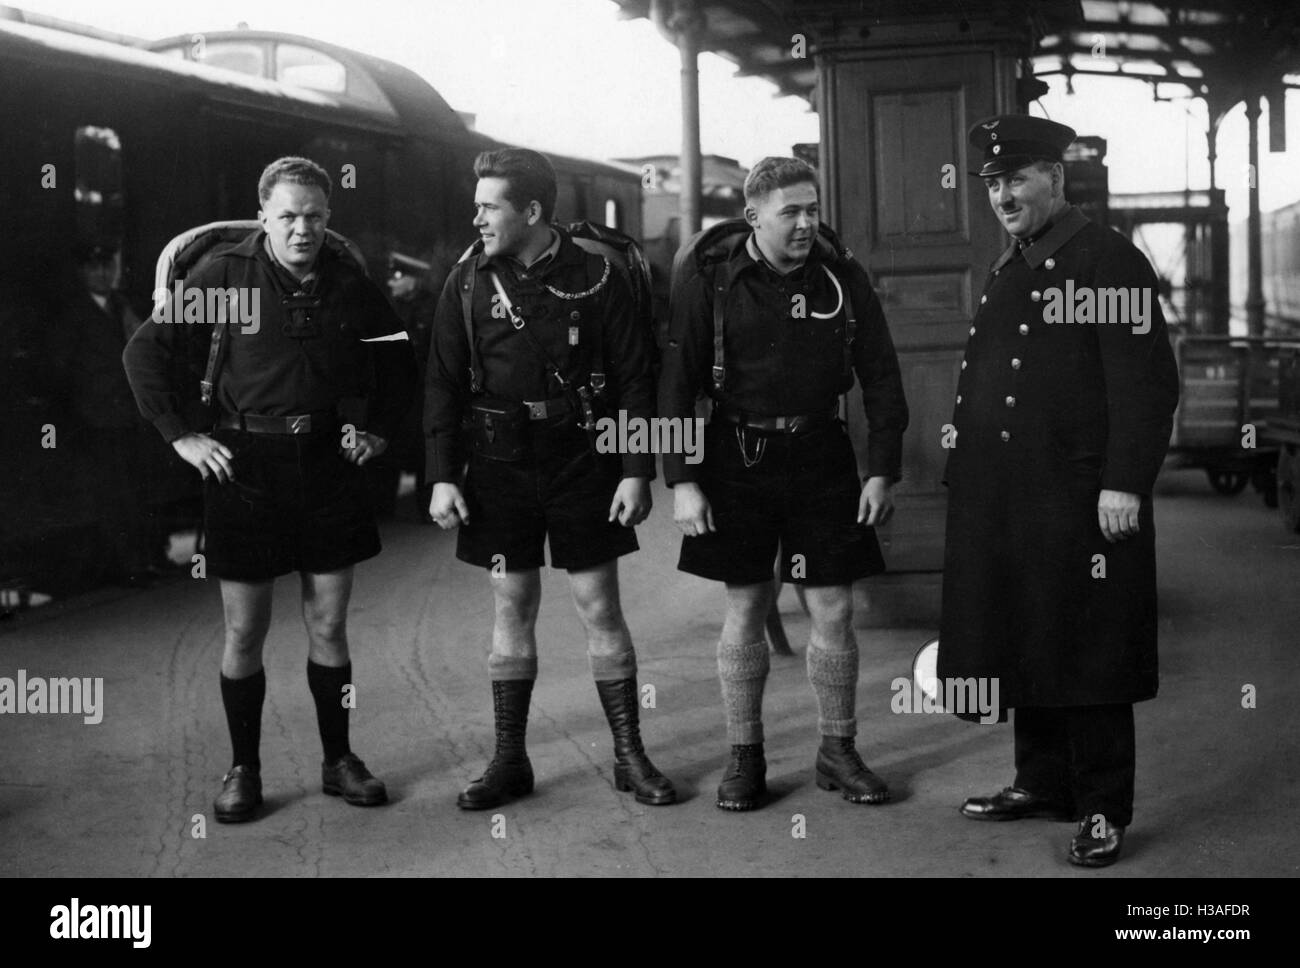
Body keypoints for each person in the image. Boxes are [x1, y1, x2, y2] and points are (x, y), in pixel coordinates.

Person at [123, 156, 417, 823]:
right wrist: (180, 436)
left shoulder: (348, 284)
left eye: (314, 216)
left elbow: (401, 359)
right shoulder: (225, 276)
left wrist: (378, 435)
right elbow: (144, 353)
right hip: (245, 464)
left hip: (326, 462)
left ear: (327, 219)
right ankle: (244, 768)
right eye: (287, 216)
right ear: (264, 215)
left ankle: (339, 759)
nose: (302, 228)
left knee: (329, 624)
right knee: (245, 629)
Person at [939, 116, 1179, 867]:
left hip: (1080, 496)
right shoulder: (1013, 263)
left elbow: (1145, 386)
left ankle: (1103, 807)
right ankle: (1042, 782)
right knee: (1026, 634)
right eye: (993, 183)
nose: (1004, 194)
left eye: (1018, 179)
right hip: (1009, 496)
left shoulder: (1107, 261)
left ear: (1056, 179)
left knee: (1091, 648)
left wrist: (1124, 484)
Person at [424, 148, 676, 809]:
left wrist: (635, 469)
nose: (475, 216)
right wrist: (442, 475)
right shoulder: (468, 282)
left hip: (582, 462)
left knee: (600, 607)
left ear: (531, 211)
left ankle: (628, 756)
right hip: (499, 465)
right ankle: (510, 762)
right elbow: (443, 382)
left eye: (489, 205)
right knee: (512, 608)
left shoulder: (597, 276)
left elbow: (633, 377)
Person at [659, 156, 909, 811]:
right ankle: (746, 758)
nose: (805, 223)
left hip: (821, 454)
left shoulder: (842, 277)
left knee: (833, 610)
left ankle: (838, 750)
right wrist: (681, 481)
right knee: (745, 607)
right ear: (753, 216)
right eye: (790, 212)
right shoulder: (708, 283)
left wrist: (881, 467)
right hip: (733, 457)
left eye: (812, 209)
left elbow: (881, 375)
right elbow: (675, 389)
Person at [48, 242, 158, 586]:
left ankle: (147, 557)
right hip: (97, 417)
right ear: (82, 272)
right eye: (94, 268)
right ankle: (130, 566)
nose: (103, 274)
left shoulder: (122, 306)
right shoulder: (73, 314)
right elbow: (58, 369)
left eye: (107, 266)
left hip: (128, 412)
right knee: (115, 494)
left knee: (137, 488)